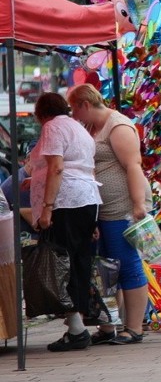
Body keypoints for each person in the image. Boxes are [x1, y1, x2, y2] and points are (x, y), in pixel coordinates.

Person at [67, 84, 152, 345]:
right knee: (108, 270)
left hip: (122, 209)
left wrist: (138, 205)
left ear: (84, 104)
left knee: (127, 265)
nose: (73, 115)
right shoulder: (92, 128)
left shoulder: (118, 126)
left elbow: (133, 165)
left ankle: (135, 328)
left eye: (74, 109)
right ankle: (111, 326)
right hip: (102, 210)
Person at [30, 93, 102, 352]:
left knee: (62, 262)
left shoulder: (52, 127)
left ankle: (76, 329)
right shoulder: (78, 128)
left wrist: (47, 208)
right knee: (79, 261)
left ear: (41, 113)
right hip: (87, 199)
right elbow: (87, 168)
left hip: (66, 201)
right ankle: (78, 323)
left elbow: (56, 167)